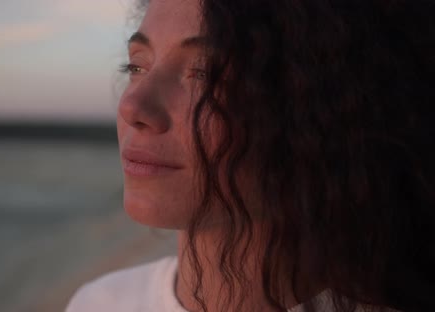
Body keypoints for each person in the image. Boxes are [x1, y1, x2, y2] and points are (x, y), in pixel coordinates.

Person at [66, 0, 435, 311]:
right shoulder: (100, 301)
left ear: (322, 112)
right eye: (136, 66)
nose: (133, 105)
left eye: (207, 73)